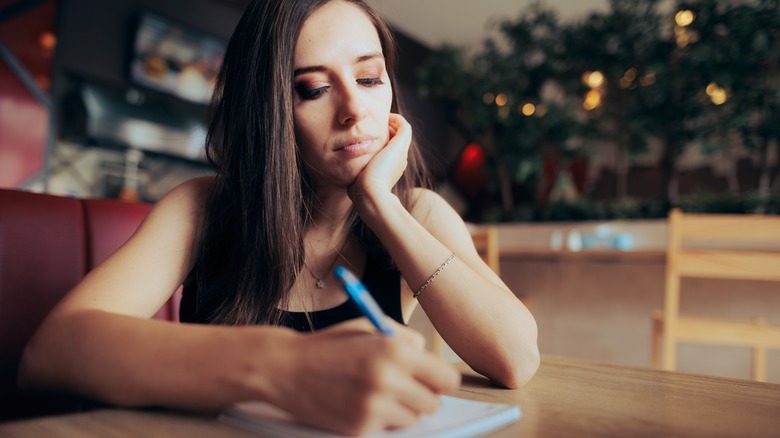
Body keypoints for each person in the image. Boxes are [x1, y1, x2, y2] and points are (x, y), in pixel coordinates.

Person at [19, 0, 539, 435]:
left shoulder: (418, 213)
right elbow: (51, 352)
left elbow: (516, 359)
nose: (355, 108)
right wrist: (280, 366)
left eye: (369, 77)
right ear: (268, 110)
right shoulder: (204, 208)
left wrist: (381, 206)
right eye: (313, 88)